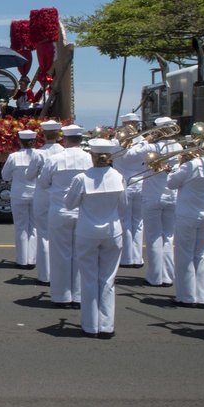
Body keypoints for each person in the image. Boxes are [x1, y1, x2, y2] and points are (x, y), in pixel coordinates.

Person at [65, 139, 126, 338]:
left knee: (89, 278)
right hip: (112, 231)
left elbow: (70, 204)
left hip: (88, 232)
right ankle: (107, 326)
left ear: (91, 156)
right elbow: (123, 207)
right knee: (108, 279)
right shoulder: (118, 176)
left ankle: (91, 325)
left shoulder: (81, 178)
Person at [122, 116, 182, 287]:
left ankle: (156, 276)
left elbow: (128, 156)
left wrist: (146, 139)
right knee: (168, 237)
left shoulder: (152, 146)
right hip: (171, 195)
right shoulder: (178, 146)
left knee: (154, 237)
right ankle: (168, 276)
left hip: (152, 197)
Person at [38, 124, 92, 308]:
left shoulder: (55, 159)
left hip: (60, 210)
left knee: (60, 254)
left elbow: (44, 183)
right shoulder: (90, 159)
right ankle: (78, 296)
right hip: (83, 211)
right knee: (80, 254)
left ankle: (62, 297)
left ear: (65, 139)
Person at [166, 140, 204, 309]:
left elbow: (171, 183)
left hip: (187, 214)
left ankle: (187, 296)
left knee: (185, 254)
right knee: (202, 254)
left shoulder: (191, 165)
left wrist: (178, 165)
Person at [29, 120, 65, 284]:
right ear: (59, 136)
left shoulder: (38, 153)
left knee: (43, 234)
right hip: (61, 196)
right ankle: (59, 273)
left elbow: (29, 175)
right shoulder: (64, 152)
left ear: (43, 136)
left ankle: (45, 275)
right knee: (61, 237)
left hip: (43, 195)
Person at [111, 113, 145, 268]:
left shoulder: (115, 142)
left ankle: (126, 257)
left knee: (124, 221)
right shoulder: (144, 142)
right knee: (137, 223)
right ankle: (137, 258)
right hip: (140, 184)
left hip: (123, 184)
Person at [1, 129, 38, 269]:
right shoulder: (39, 155)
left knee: (21, 227)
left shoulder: (13, 157)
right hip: (35, 194)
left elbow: (5, 176)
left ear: (20, 142)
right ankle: (32, 259)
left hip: (18, 194)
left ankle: (22, 260)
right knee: (34, 228)